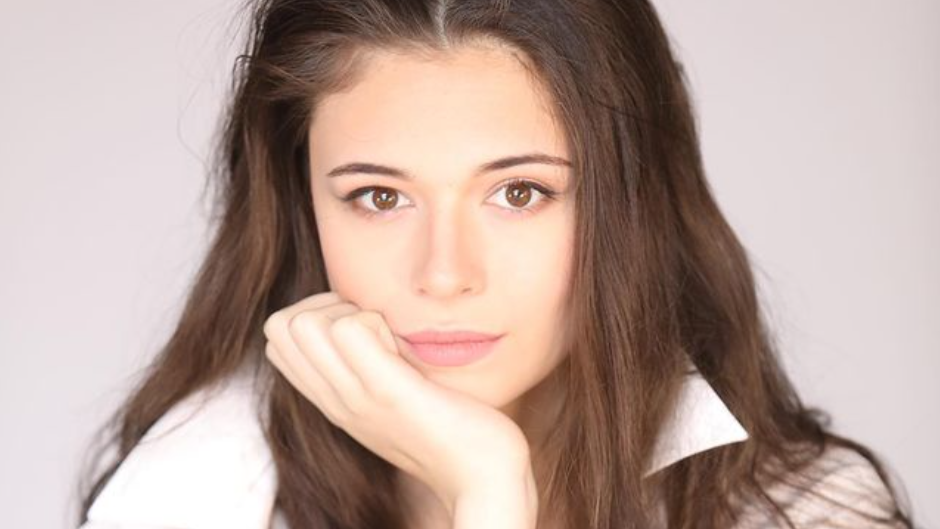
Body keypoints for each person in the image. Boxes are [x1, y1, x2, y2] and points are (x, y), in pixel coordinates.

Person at [75, 0, 915, 528]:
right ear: (304, 207)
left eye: (519, 193)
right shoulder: (194, 484)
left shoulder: (802, 512)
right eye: (378, 196)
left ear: (630, 203)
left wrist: (487, 486)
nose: (444, 274)